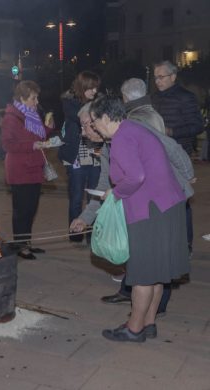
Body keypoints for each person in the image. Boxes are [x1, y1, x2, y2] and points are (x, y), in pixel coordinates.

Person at [89, 96, 189, 342]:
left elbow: (135, 176)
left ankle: (134, 329)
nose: (93, 127)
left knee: (142, 273)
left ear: (105, 118)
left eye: (94, 122)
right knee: (156, 272)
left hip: (150, 210)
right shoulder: (134, 129)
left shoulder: (122, 136)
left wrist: (116, 192)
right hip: (167, 206)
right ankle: (149, 322)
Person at [152, 60, 204, 259]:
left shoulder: (186, 98)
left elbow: (197, 126)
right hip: (157, 156)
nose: (157, 81)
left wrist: (171, 131)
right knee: (160, 201)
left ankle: (186, 245)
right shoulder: (154, 98)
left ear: (173, 77)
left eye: (161, 77)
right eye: (155, 77)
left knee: (181, 201)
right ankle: (165, 241)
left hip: (179, 156)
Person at [1, 80, 54, 260]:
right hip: (20, 169)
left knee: (31, 209)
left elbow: (37, 136)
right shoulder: (11, 117)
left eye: (37, 97)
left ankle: (26, 243)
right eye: (33, 98)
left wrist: (48, 128)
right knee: (22, 211)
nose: (36, 101)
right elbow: (8, 145)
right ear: (22, 98)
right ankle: (20, 246)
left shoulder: (31, 114)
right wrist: (32, 145)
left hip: (33, 167)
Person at [58, 71, 102, 244]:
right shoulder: (69, 102)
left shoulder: (98, 102)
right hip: (76, 157)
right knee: (76, 198)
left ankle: (92, 235)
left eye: (96, 88)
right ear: (82, 87)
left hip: (96, 156)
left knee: (94, 198)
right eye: (91, 88)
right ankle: (76, 234)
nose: (94, 91)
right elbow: (80, 117)